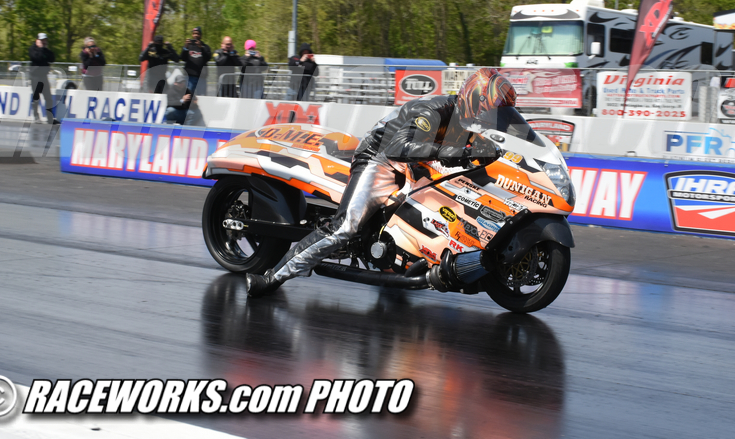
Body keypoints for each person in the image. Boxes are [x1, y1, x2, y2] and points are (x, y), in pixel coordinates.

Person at [246, 67, 515, 297]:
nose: (494, 118)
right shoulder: (434, 110)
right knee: (345, 227)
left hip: (417, 163)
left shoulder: (471, 125)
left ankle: (399, 259)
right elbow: (399, 147)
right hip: (381, 158)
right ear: (477, 99)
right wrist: (458, 152)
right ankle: (272, 277)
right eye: (494, 111)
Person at [28, 33, 58, 124]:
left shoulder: (46, 50)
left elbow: (52, 58)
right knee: (36, 97)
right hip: (35, 76)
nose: (44, 42)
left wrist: (45, 50)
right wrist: (41, 49)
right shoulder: (33, 49)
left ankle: (50, 118)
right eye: (42, 40)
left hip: (44, 76)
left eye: (45, 40)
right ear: (37, 40)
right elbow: (37, 58)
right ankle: (36, 116)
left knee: (48, 98)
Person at [180, 26, 212, 97]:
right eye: (194, 33)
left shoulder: (205, 47)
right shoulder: (189, 46)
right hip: (189, 77)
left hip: (201, 77)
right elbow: (182, 58)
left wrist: (201, 48)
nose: (196, 35)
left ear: (201, 35)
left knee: (202, 97)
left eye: (197, 33)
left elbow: (208, 58)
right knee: (188, 97)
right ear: (192, 35)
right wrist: (185, 48)